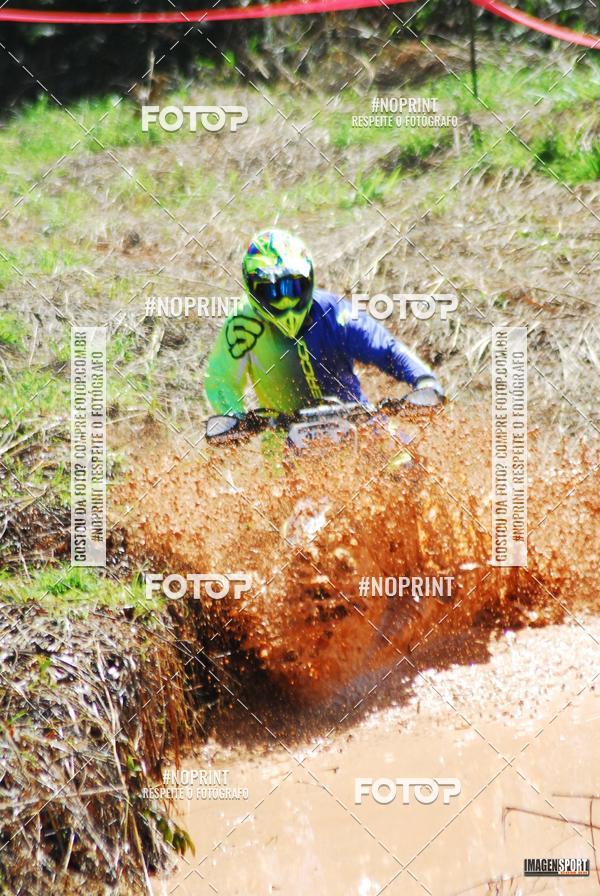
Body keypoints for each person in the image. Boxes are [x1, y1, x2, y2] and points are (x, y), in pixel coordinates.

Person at [204, 228, 443, 416]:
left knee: (407, 464)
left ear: (309, 280)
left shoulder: (334, 312)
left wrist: (423, 380)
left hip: (360, 426)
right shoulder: (243, 325)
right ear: (252, 289)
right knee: (281, 476)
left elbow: (387, 349)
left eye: (295, 287)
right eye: (274, 291)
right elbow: (220, 379)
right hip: (284, 446)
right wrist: (233, 416)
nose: (287, 301)